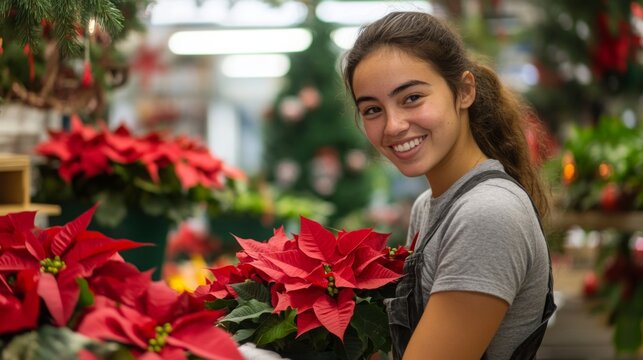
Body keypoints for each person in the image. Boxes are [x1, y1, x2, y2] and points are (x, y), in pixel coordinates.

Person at [341, 11, 556, 360]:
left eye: (411, 98)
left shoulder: (487, 214)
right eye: (372, 110)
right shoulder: (429, 206)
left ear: (464, 91)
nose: (393, 125)